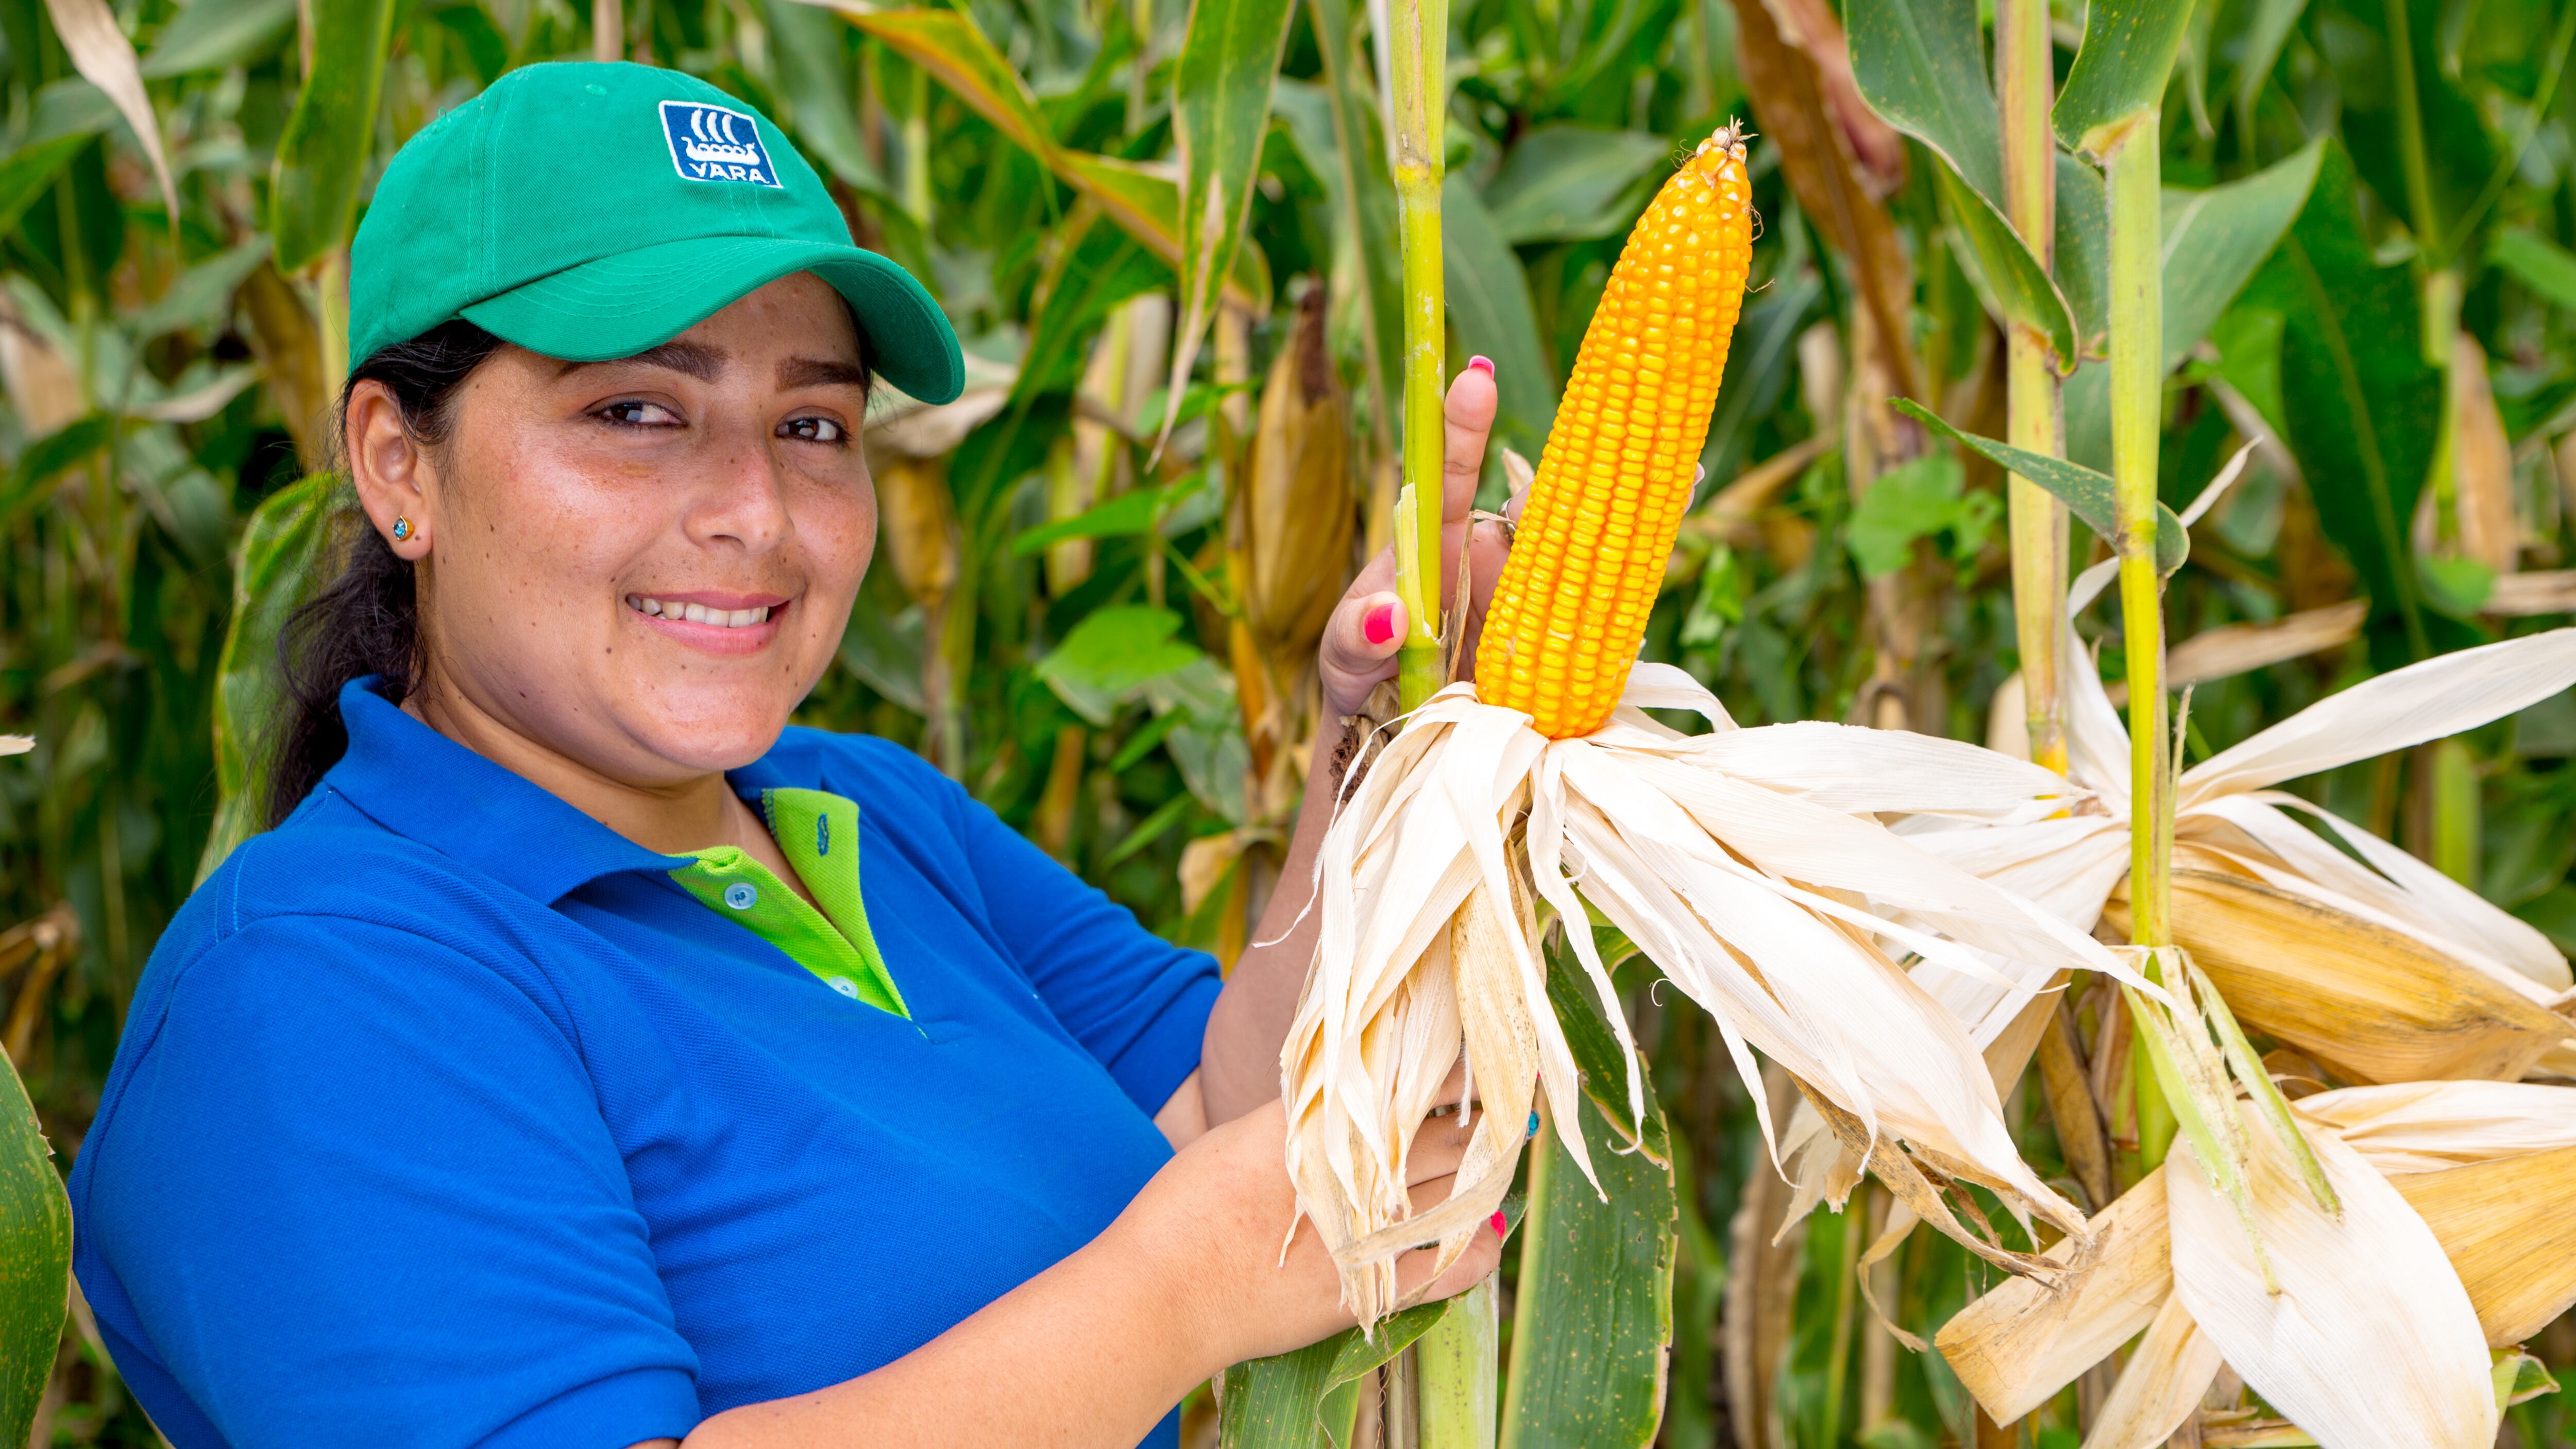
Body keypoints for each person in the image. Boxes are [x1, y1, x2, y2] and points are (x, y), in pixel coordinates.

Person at [66, 62, 1518, 1449]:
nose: (757, 512)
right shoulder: (315, 983)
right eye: (637, 411)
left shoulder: (869, 809)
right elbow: (1221, 1227)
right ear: (400, 462)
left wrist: (1383, 749)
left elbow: (1221, 1115)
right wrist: (1180, 1291)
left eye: (813, 423)